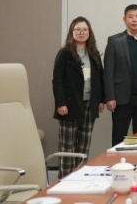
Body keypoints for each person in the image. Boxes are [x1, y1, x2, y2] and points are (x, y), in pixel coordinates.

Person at [52, 17, 105, 178]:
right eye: (78, 29)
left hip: (89, 104)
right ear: (72, 32)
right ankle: (65, 180)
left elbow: (99, 78)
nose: (81, 32)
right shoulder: (65, 54)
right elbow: (57, 80)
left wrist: (101, 100)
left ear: (89, 32)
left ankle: (80, 179)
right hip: (69, 105)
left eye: (85, 30)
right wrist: (60, 103)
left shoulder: (94, 54)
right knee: (68, 147)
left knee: (84, 145)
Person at [104, 4, 137, 146]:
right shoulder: (114, 41)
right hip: (121, 99)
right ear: (124, 19)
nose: (134, 20)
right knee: (119, 137)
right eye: (131, 17)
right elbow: (108, 71)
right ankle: (118, 160)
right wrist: (110, 97)